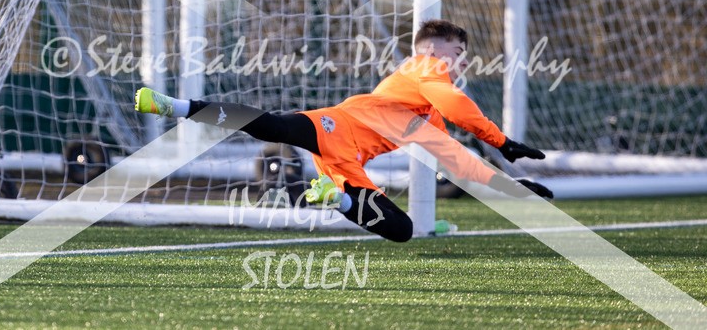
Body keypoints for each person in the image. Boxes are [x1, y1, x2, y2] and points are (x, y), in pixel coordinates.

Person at [134, 19, 552, 242]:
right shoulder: (426, 68)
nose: (462, 62)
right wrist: (502, 141)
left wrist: (516, 188)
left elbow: (462, 165)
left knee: (401, 230)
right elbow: (456, 102)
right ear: (434, 49)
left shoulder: (430, 112)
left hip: (347, 162)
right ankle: (178, 106)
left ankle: (337, 199)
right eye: (458, 53)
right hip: (337, 126)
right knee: (275, 126)